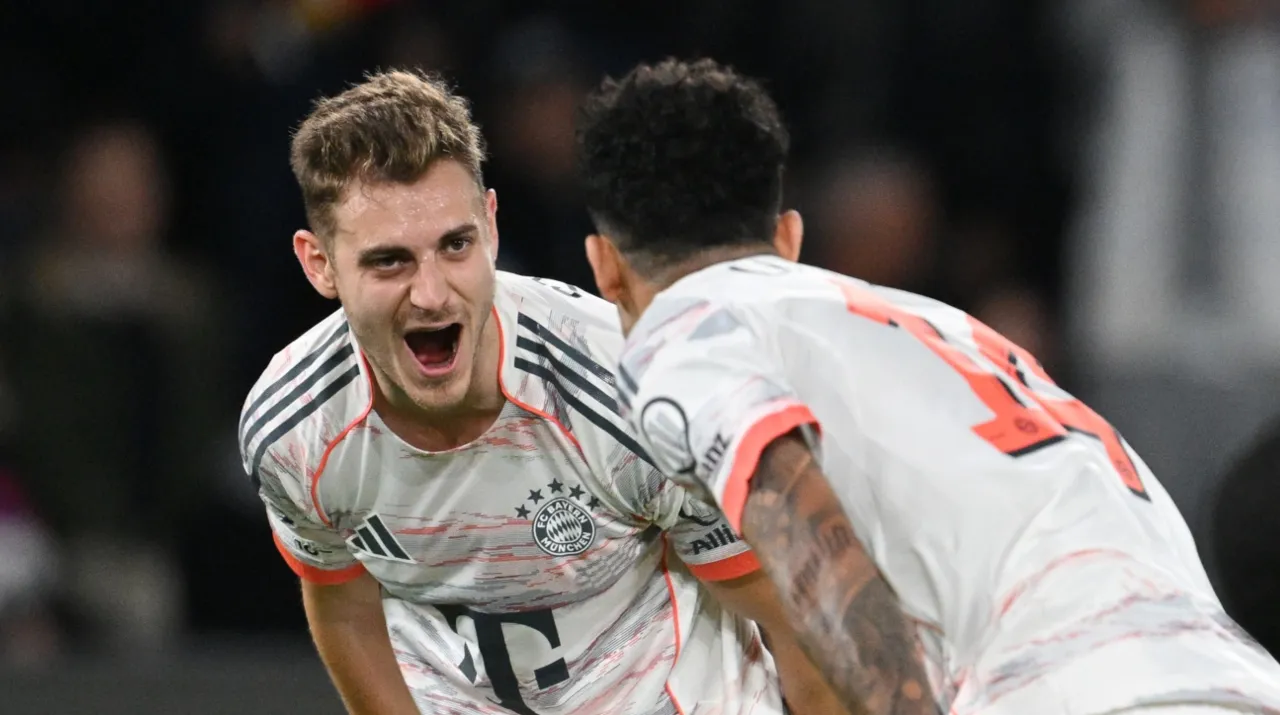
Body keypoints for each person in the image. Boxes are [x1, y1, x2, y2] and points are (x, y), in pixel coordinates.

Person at [574, 58, 1280, 715]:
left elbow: (814, 549)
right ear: (788, 237)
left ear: (605, 267)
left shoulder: (684, 329)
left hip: (1069, 690)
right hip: (1232, 679)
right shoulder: (949, 327)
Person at [238, 69, 844, 715]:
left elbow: (796, 616)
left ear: (491, 227)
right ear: (319, 263)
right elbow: (346, 608)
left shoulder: (634, 393)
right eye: (390, 260)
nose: (433, 292)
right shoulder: (294, 429)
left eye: (456, 245)